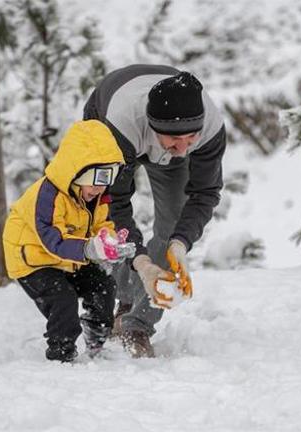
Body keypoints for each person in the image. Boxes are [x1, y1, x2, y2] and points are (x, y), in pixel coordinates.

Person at [83, 64, 226, 358]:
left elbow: (205, 193)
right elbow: (115, 204)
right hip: (111, 125)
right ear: (153, 129)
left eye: (191, 139)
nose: (185, 150)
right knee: (108, 222)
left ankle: (138, 324)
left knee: (175, 222)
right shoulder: (119, 129)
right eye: (176, 140)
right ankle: (123, 299)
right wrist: (142, 263)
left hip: (153, 135)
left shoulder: (209, 128)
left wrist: (180, 243)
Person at [2, 120, 135, 362]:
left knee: (103, 287)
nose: (100, 188)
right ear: (76, 172)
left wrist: (108, 241)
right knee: (63, 300)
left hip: (70, 257)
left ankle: (96, 340)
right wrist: (89, 248)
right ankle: (61, 355)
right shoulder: (47, 195)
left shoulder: (97, 195)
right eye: (96, 179)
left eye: (108, 178)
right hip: (34, 260)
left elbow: (101, 225)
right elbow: (53, 239)